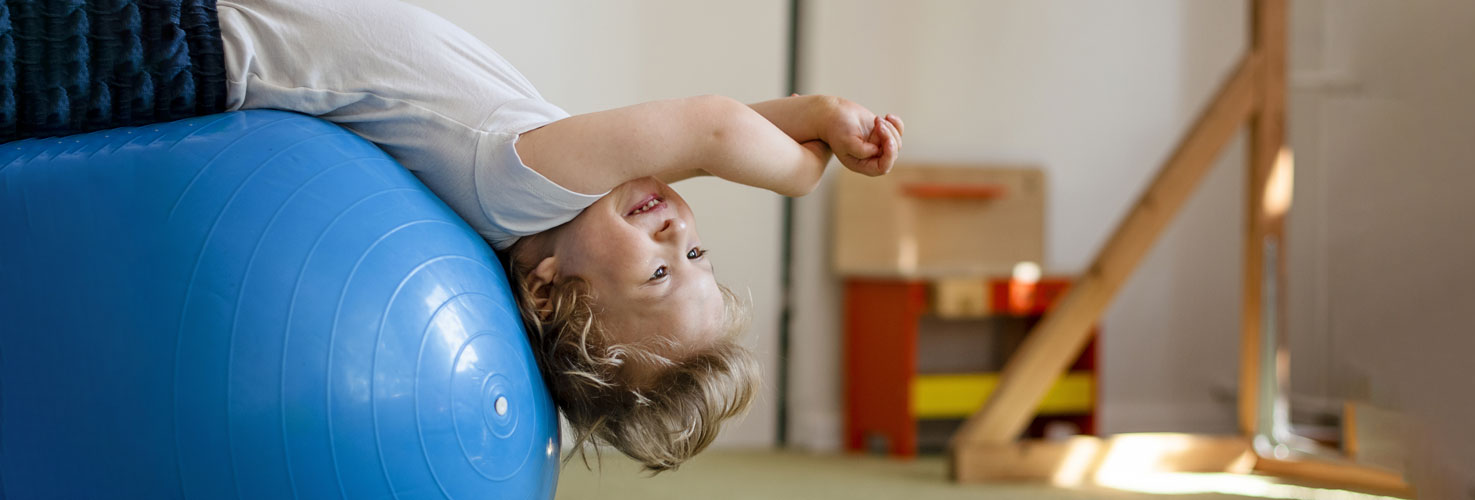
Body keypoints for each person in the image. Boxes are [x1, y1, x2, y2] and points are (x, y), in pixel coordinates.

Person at [9, 0, 904, 473]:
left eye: (659, 275)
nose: (676, 227)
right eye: (696, 256)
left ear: (549, 291)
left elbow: (709, 127)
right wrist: (802, 128)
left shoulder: (520, 181)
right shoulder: (550, 197)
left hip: (152, 41)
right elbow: (711, 131)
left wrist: (805, 157)